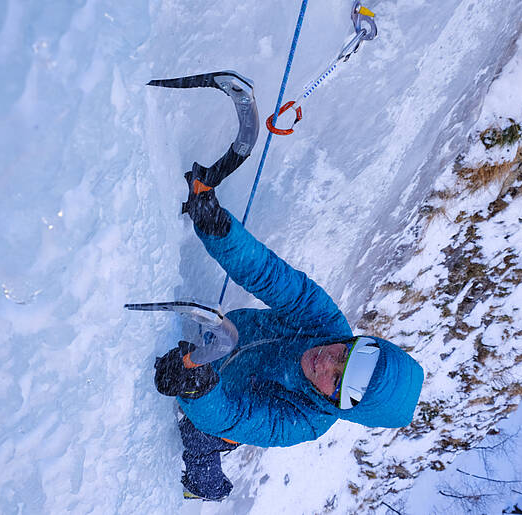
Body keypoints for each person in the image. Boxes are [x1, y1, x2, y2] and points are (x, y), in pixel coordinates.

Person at [154, 169, 425, 501]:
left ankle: (206, 489)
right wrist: (219, 228)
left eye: (336, 380)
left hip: (222, 407)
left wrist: (197, 389)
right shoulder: (325, 323)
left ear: (338, 405)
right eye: (344, 354)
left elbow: (235, 417)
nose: (326, 361)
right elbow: (270, 275)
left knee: (196, 438)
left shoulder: (305, 421)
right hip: (224, 345)